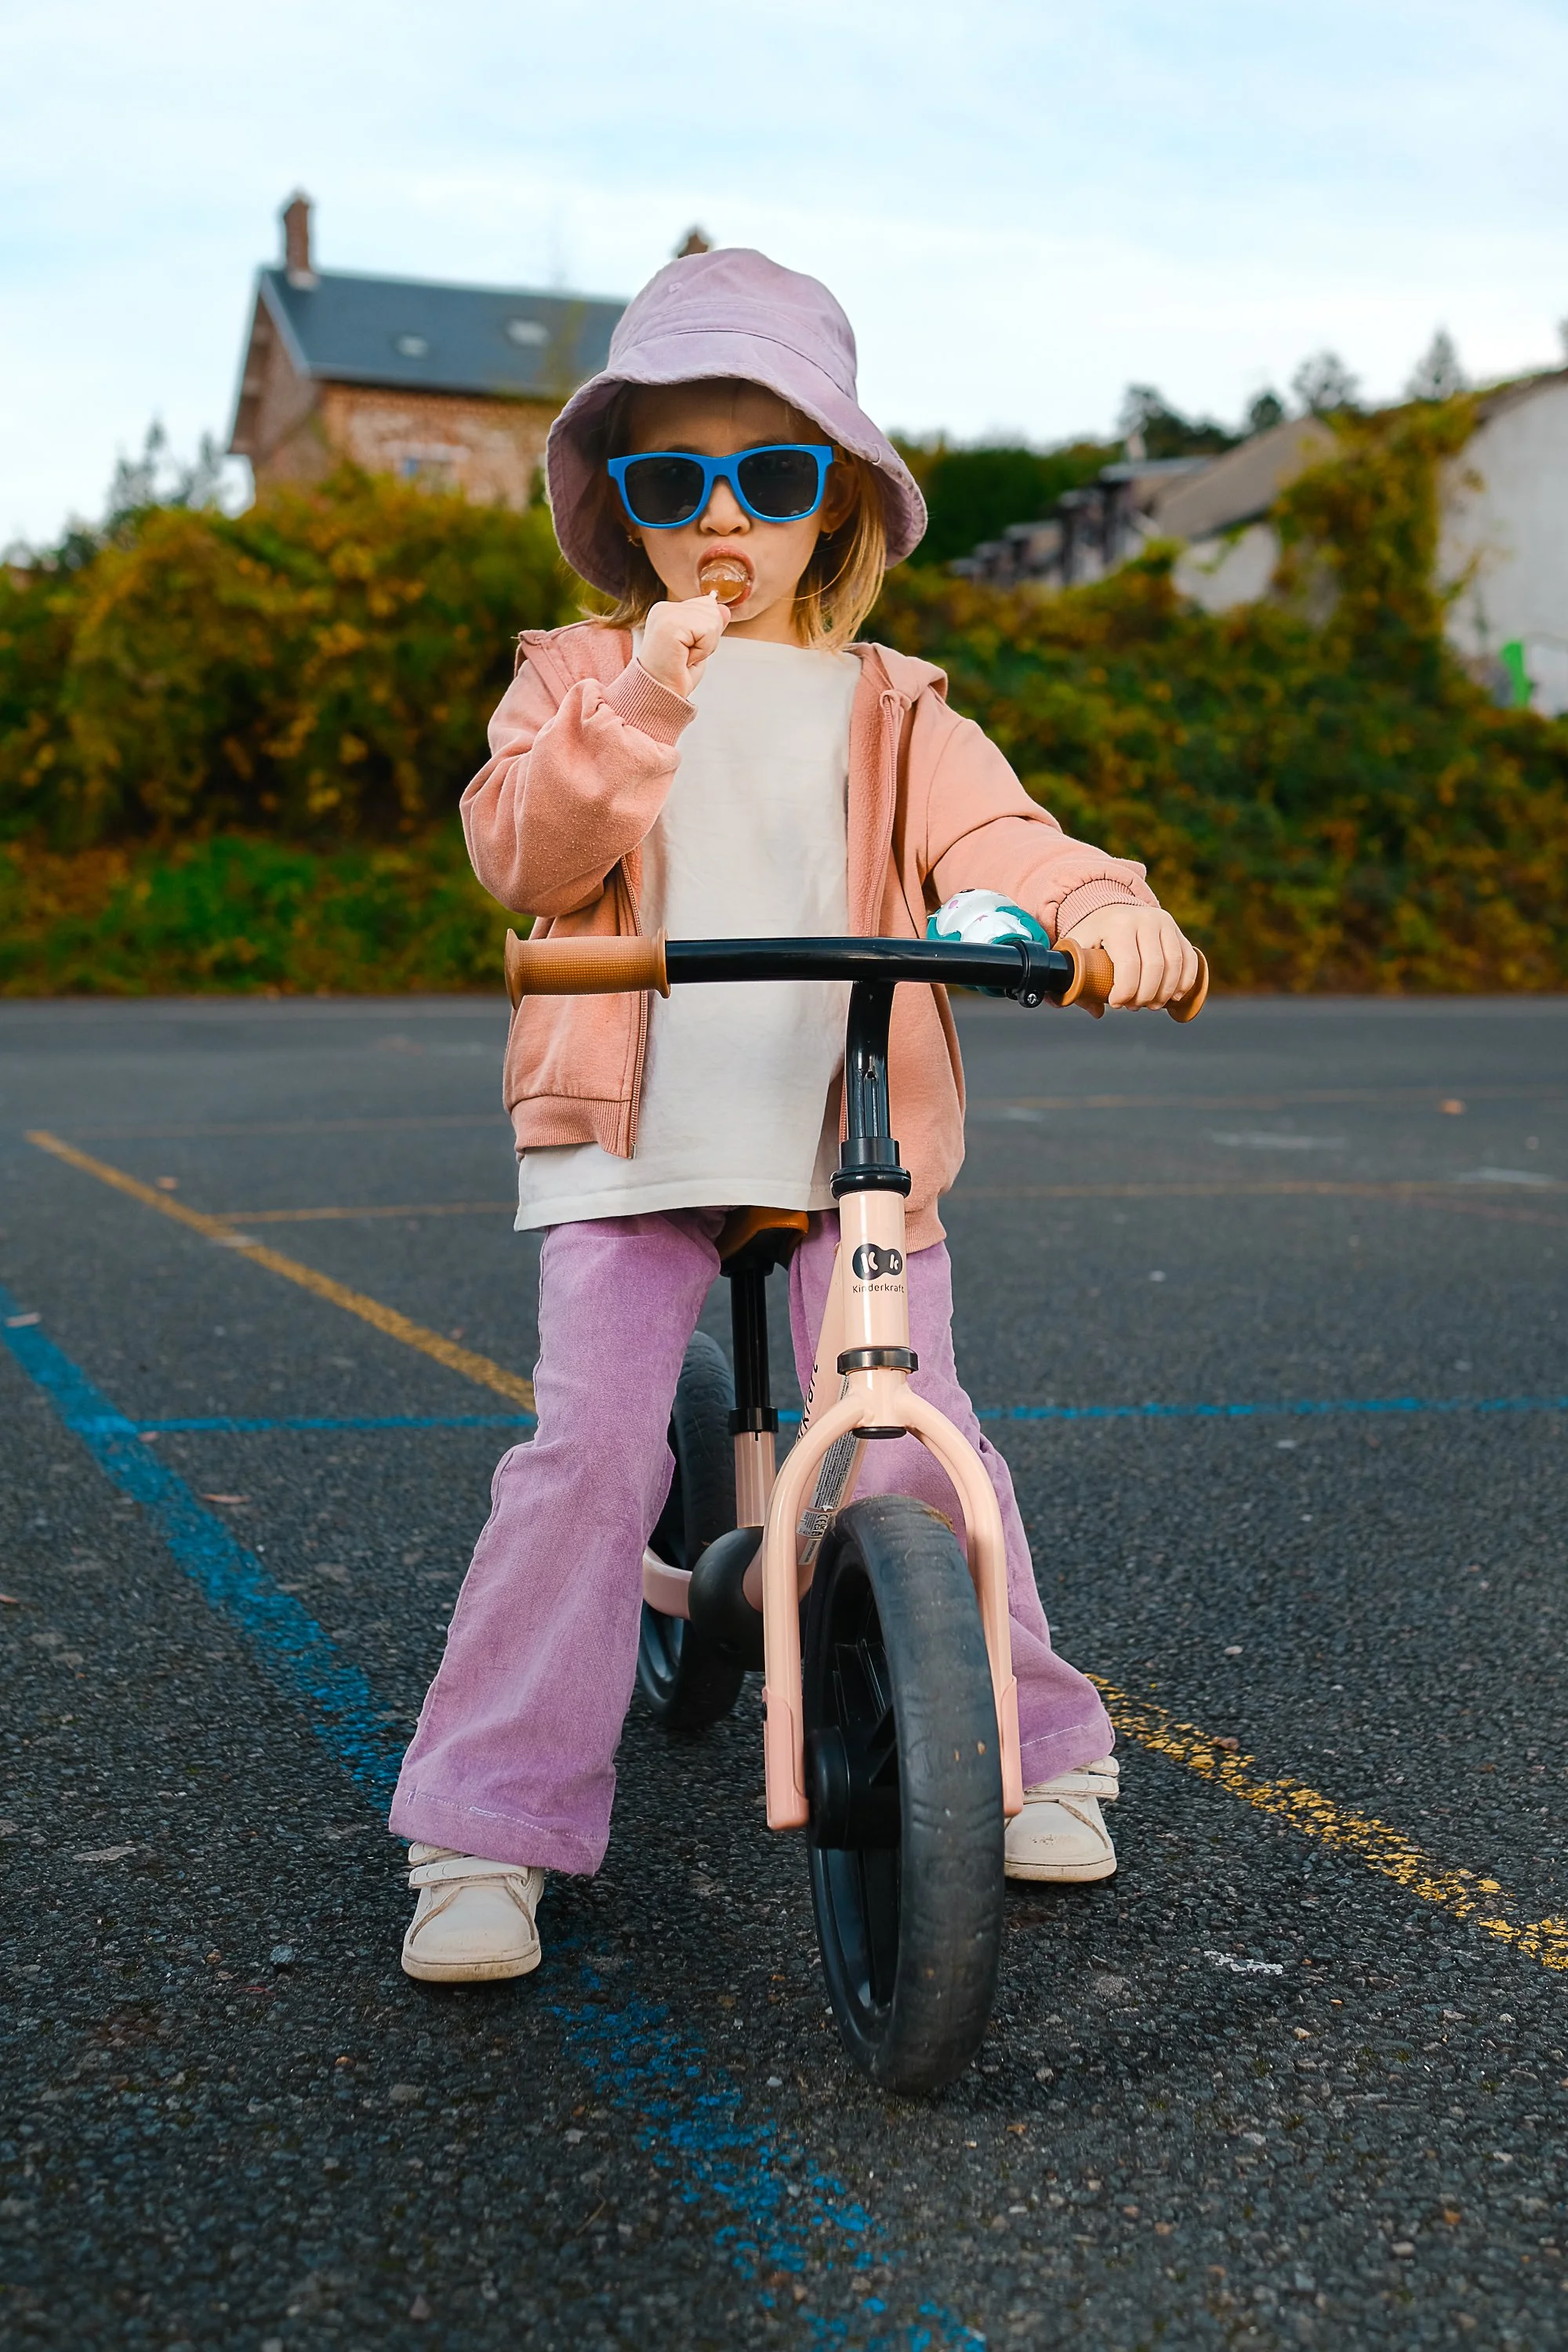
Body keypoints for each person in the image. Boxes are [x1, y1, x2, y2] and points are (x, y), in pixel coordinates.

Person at [390, 249, 1200, 1982]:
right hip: (632, 1134)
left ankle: (1033, 1743)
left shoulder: (896, 705)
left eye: (767, 475)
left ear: (832, 501)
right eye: (672, 482)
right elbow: (525, 854)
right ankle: (482, 1825)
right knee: (588, 1461)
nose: (720, 518)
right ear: (626, 508)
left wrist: (1103, 907)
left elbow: (1007, 846)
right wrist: (647, 694)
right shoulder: (574, 679)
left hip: (847, 1141)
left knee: (921, 1441)